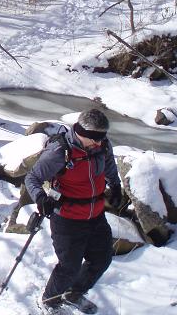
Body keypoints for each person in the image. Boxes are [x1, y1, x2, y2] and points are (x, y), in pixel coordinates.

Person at [25, 109, 123, 315]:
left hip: (95, 215)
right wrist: (41, 198)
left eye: (102, 138)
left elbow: (110, 165)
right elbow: (32, 179)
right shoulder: (59, 152)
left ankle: (73, 293)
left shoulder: (102, 145)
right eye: (95, 139)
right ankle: (50, 302)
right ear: (82, 132)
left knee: (102, 259)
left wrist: (115, 186)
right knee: (69, 267)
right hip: (67, 219)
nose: (99, 144)